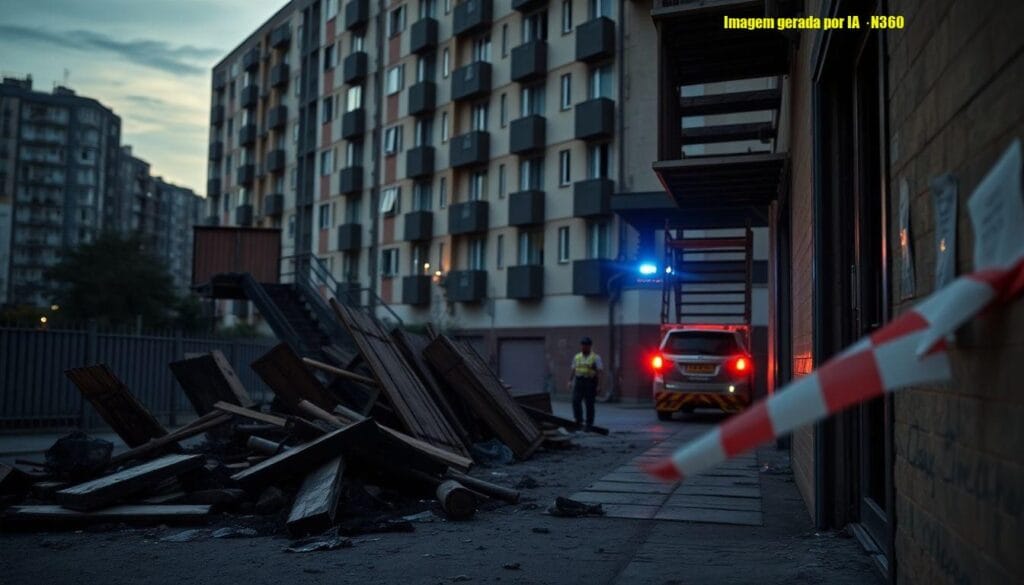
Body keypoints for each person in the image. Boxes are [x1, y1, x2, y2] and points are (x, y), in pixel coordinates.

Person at [568, 336, 603, 430]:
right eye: (582, 345)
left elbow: (599, 372)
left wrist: (599, 385)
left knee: (589, 403)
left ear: (590, 346)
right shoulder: (577, 357)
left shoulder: (596, 358)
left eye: (586, 345)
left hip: (590, 382)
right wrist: (570, 381)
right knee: (575, 401)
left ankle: (589, 424)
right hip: (579, 381)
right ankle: (578, 421)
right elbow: (573, 369)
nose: (584, 347)